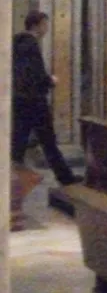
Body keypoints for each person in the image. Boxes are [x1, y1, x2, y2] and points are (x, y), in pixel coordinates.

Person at [10, 11, 78, 186]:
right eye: (45, 24)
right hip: (34, 101)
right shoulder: (31, 44)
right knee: (47, 142)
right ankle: (66, 178)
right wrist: (50, 80)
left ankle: (12, 180)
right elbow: (33, 74)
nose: (47, 28)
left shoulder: (17, 43)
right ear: (37, 25)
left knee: (19, 142)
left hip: (20, 99)